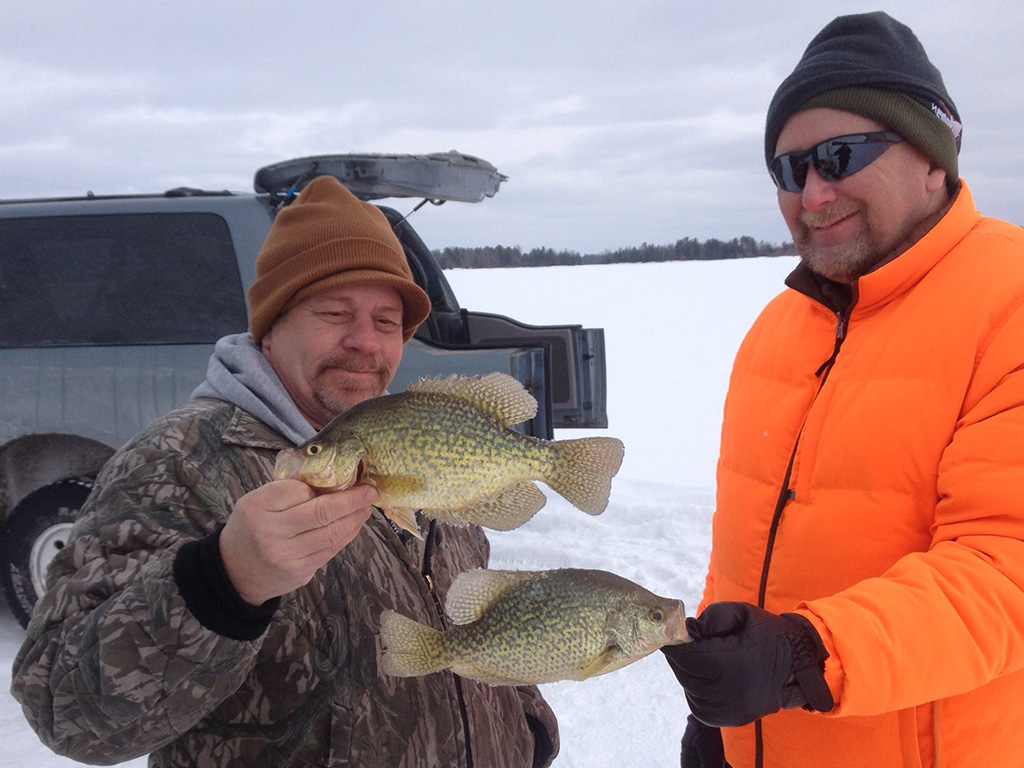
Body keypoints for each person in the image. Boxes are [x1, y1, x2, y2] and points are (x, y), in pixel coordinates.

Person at [11, 176, 559, 768]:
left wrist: (524, 728)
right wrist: (220, 585)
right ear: (271, 327)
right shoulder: (179, 461)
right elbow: (63, 707)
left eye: (386, 322)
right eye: (334, 312)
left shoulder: (410, 439)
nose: (364, 344)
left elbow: (459, 615)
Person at [661, 11, 1024, 768]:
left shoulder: (1009, 301)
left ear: (932, 156)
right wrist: (717, 722)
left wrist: (802, 656)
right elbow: (740, 553)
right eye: (789, 171)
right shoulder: (777, 328)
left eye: (839, 155)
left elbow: (1003, 572)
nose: (813, 193)